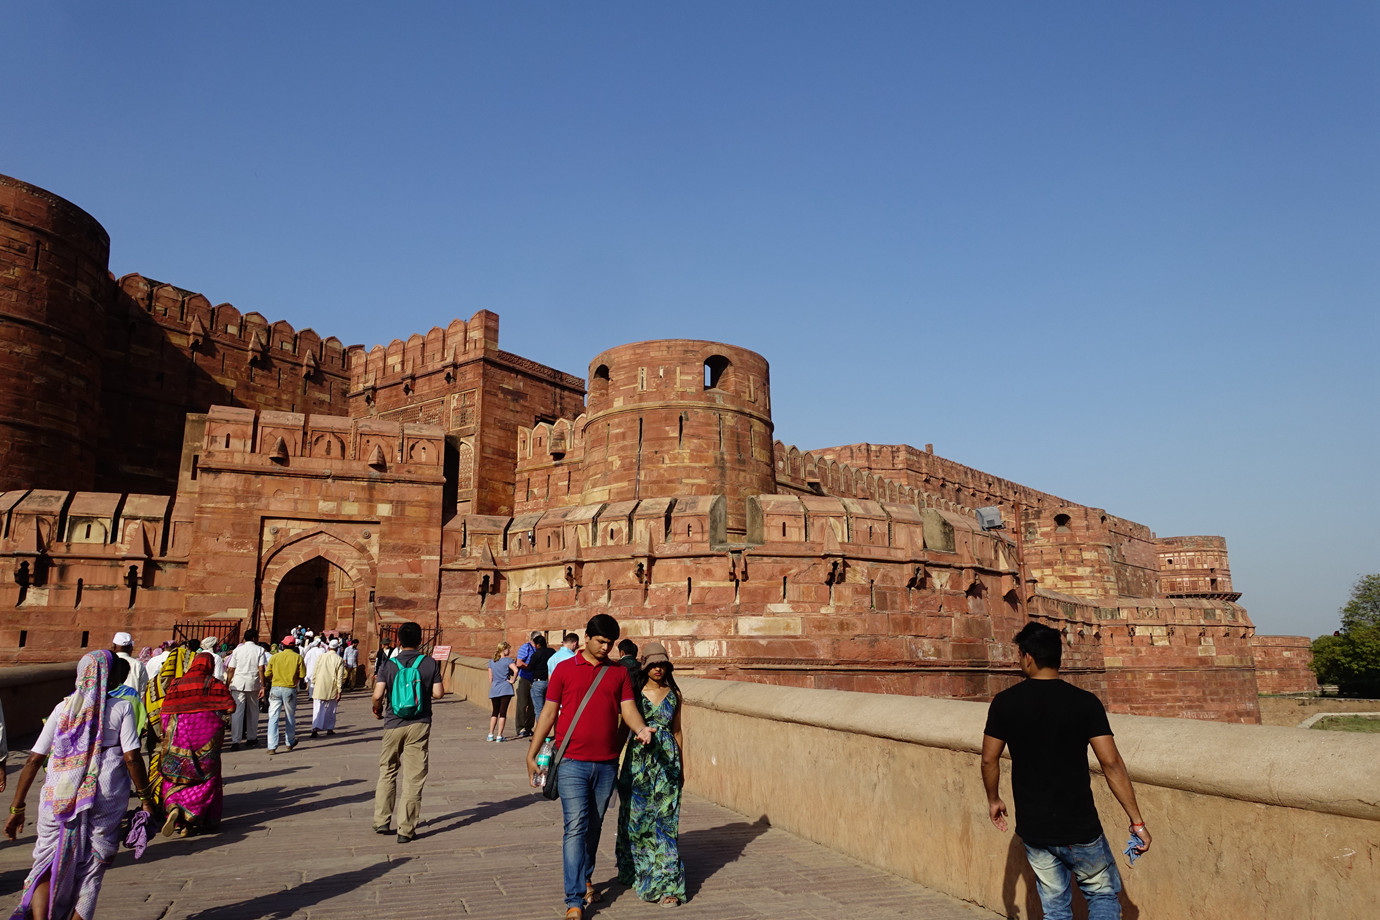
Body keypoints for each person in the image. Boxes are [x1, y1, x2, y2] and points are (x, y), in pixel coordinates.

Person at [982, 622, 1151, 920]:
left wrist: (994, 799)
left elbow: (989, 759)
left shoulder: (1005, 703)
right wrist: (1136, 821)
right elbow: (1111, 763)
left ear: (1028, 657)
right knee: (1100, 894)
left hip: (1035, 829)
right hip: (1080, 826)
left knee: (1055, 908)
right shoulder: (1085, 703)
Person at [5, 651, 156, 920]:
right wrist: (146, 797)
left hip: (58, 796)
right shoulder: (121, 707)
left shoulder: (62, 708)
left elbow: (33, 760)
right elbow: (131, 757)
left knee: (46, 864)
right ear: (110, 679)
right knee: (92, 868)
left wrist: (17, 807)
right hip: (105, 794)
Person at [526, 615, 656, 920]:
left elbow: (628, 710)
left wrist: (641, 729)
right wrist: (531, 752)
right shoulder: (563, 669)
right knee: (575, 826)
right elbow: (548, 712)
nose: (605, 647)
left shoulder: (618, 674)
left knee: (594, 827)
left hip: (607, 764)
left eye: (610, 643)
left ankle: (585, 878)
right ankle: (574, 898)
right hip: (571, 761)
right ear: (586, 638)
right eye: (600, 641)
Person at [615, 641, 687, 905]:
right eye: (653, 664)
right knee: (637, 822)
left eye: (662, 664)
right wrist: (614, 761)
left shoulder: (674, 695)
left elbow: (677, 732)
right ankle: (639, 872)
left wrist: (682, 767)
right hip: (637, 764)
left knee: (666, 823)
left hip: (667, 764)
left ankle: (669, 885)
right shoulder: (632, 694)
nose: (658, 668)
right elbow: (624, 730)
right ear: (645, 665)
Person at [371, 621, 444, 843]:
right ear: (421, 640)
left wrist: (376, 708)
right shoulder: (429, 663)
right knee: (413, 778)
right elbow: (439, 693)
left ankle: (382, 821)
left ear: (398, 641)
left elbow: (377, 694)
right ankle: (405, 829)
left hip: (393, 723)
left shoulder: (389, 664)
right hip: (420, 724)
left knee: (388, 771)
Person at [158, 651, 235, 837]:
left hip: (179, 737)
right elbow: (230, 707)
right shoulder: (214, 684)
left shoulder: (176, 683)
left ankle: (175, 809)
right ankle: (194, 816)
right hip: (205, 739)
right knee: (206, 776)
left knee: (176, 774)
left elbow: (165, 711)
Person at [225, 628, 268, 751]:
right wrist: (263, 686)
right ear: (255, 638)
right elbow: (261, 669)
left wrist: (227, 684)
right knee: (253, 711)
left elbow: (231, 669)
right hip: (252, 683)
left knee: (237, 713)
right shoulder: (259, 650)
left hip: (238, 683)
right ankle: (251, 737)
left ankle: (235, 740)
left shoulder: (238, 650)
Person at [265, 636, 306, 754]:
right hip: (290, 688)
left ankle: (271, 746)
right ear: (293, 646)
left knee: (273, 717)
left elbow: (268, 673)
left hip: (276, 687)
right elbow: (302, 675)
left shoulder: (275, 657)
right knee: (289, 716)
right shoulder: (298, 657)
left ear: (283, 645)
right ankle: (289, 742)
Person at [310, 643, 348, 737]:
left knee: (318, 708)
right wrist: (339, 690)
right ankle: (329, 728)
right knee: (332, 708)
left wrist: (314, 682)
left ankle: (315, 727)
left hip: (320, 684)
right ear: (337, 648)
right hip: (332, 686)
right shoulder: (338, 659)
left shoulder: (321, 657)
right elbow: (340, 677)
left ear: (329, 648)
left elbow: (315, 671)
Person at [487, 642, 518, 741]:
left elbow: (490, 678)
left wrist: (493, 687)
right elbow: (516, 670)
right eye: (508, 649)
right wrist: (513, 680)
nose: (509, 651)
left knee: (495, 712)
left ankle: (490, 734)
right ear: (504, 650)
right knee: (503, 713)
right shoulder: (508, 660)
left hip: (495, 688)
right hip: (505, 688)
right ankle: (499, 735)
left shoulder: (492, 662)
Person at [513, 631, 540, 739]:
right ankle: (520, 728)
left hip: (534, 679)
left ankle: (529, 727)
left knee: (532, 705)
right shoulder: (526, 647)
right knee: (522, 704)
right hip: (524, 678)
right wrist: (530, 667)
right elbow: (519, 662)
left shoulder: (538, 649)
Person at [527, 635, 555, 728]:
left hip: (538, 683)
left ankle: (541, 734)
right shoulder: (552, 652)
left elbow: (529, 668)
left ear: (538, 645)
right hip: (551, 682)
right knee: (550, 709)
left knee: (539, 710)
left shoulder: (536, 654)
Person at [111, 632, 148, 697]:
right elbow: (143, 691)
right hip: (133, 703)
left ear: (113, 647)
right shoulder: (138, 665)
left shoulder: (108, 662)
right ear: (131, 648)